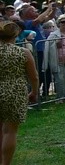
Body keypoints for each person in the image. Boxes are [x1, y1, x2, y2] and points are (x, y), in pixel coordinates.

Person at [0, 20, 39, 165]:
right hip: (15, 92)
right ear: (15, 35)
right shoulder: (23, 52)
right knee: (10, 130)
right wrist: (34, 92)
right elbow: (34, 77)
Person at [42, 14, 65, 102]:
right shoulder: (54, 34)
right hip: (58, 60)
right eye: (63, 22)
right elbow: (48, 46)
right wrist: (55, 44)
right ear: (59, 23)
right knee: (60, 79)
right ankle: (60, 98)